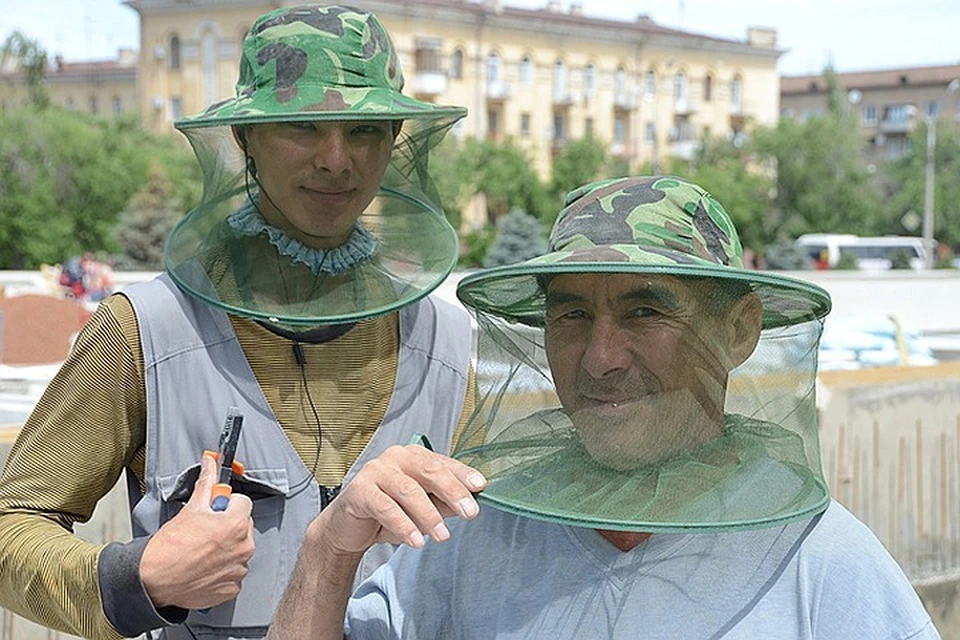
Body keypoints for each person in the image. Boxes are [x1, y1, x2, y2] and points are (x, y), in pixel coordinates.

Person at [268, 176, 939, 639]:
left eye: (646, 311)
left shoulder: (823, 563)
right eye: (571, 314)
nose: (599, 358)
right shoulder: (476, 535)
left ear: (738, 331)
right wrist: (328, 550)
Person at [0, 5, 474, 639]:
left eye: (364, 128)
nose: (337, 159)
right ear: (247, 137)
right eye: (303, 126)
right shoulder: (145, 330)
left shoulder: (444, 344)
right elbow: (13, 524)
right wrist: (137, 578)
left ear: (394, 140)